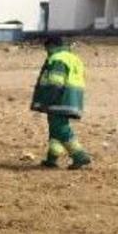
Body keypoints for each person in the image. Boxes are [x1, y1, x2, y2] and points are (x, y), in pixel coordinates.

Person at [31, 36, 91, 169]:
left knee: (61, 129)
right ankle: (52, 158)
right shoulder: (72, 58)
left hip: (60, 99)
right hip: (73, 98)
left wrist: (46, 101)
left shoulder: (57, 59)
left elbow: (55, 82)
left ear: (51, 46)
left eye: (46, 48)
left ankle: (79, 155)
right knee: (55, 128)